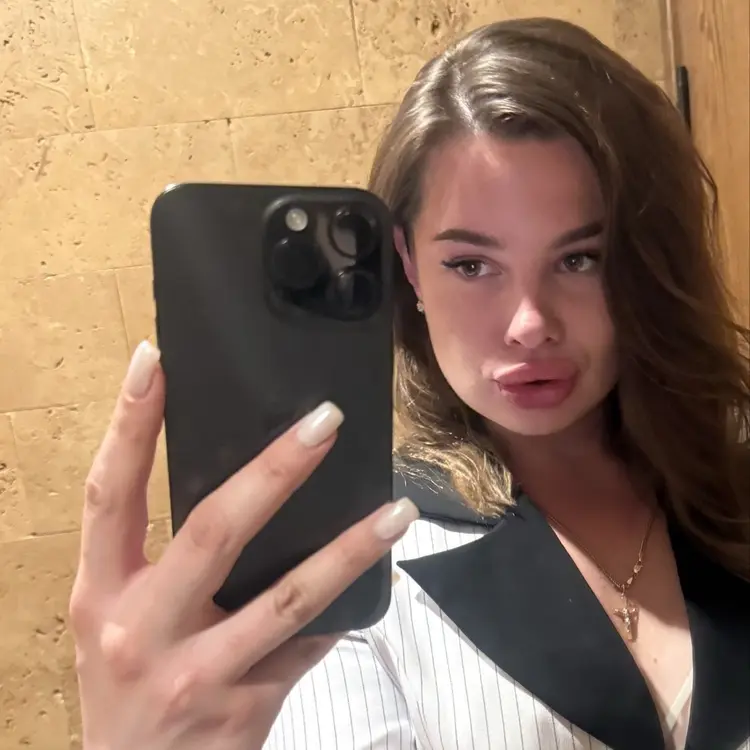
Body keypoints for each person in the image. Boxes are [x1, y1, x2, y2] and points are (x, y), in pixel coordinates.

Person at [69, 17, 750, 750]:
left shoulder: (731, 482)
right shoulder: (361, 567)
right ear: (410, 266)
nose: (529, 324)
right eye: (471, 265)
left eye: (580, 259)